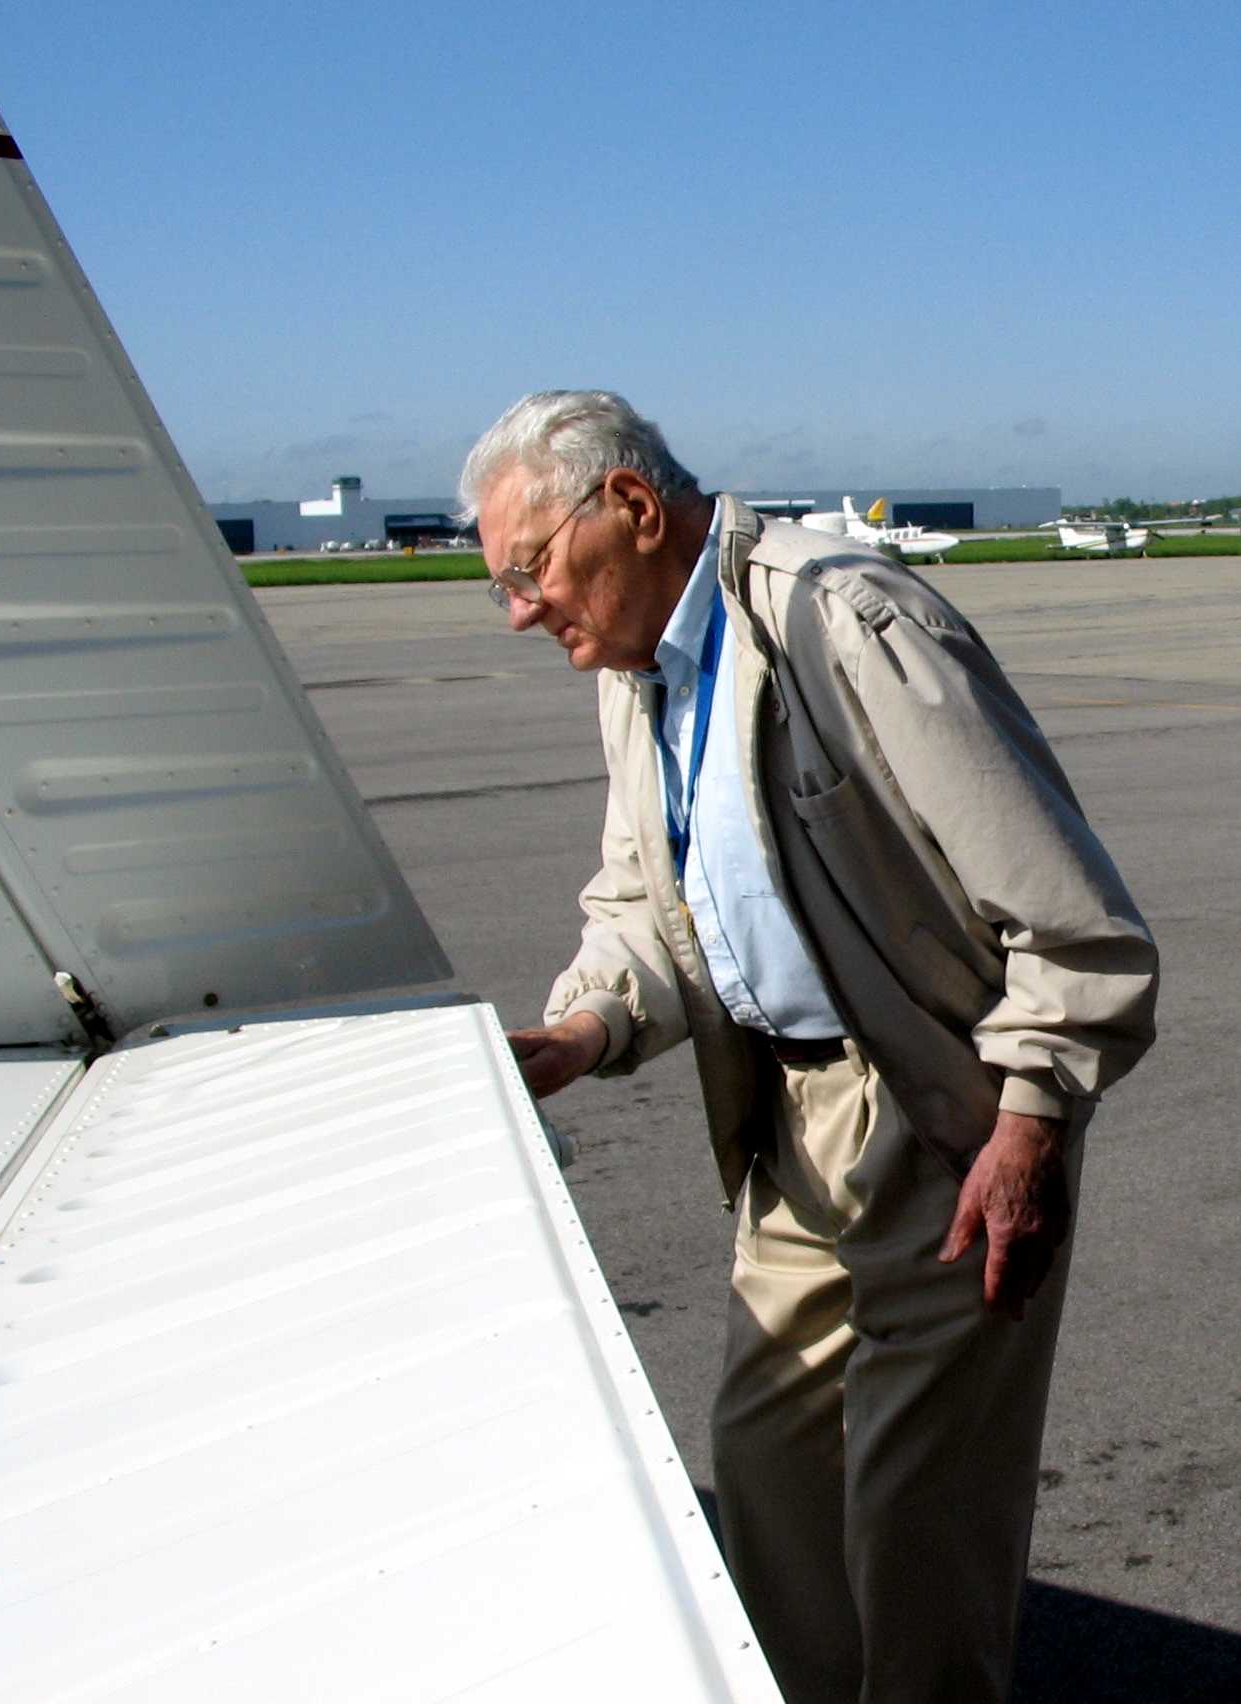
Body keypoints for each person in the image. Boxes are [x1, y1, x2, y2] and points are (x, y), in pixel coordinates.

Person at [461, 391, 1158, 1704]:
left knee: (917, 1521)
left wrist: (1028, 1122)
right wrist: (585, 1026)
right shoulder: (640, 674)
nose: (518, 611)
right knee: (767, 1473)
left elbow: (1072, 921)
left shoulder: (844, 624)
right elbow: (652, 897)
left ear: (630, 506)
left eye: (527, 569)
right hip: (787, 1125)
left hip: (938, 1113)